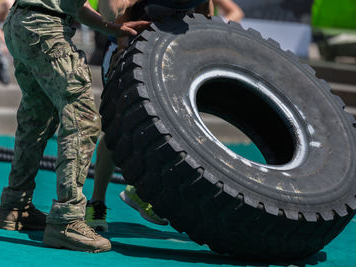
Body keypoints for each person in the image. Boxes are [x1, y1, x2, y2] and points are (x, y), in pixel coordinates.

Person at [0, 0, 150, 253]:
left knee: (37, 117)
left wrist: (111, 29)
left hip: (21, 22)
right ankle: (67, 220)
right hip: (45, 28)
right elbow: (110, 5)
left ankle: (16, 206)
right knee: (83, 118)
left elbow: (73, 5)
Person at [85, 0, 243, 231]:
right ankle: (97, 202)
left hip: (170, 53)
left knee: (171, 126)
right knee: (115, 125)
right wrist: (121, 48)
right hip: (130, 47)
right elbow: (120, 12)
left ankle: (139, 191)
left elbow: (206, 15)